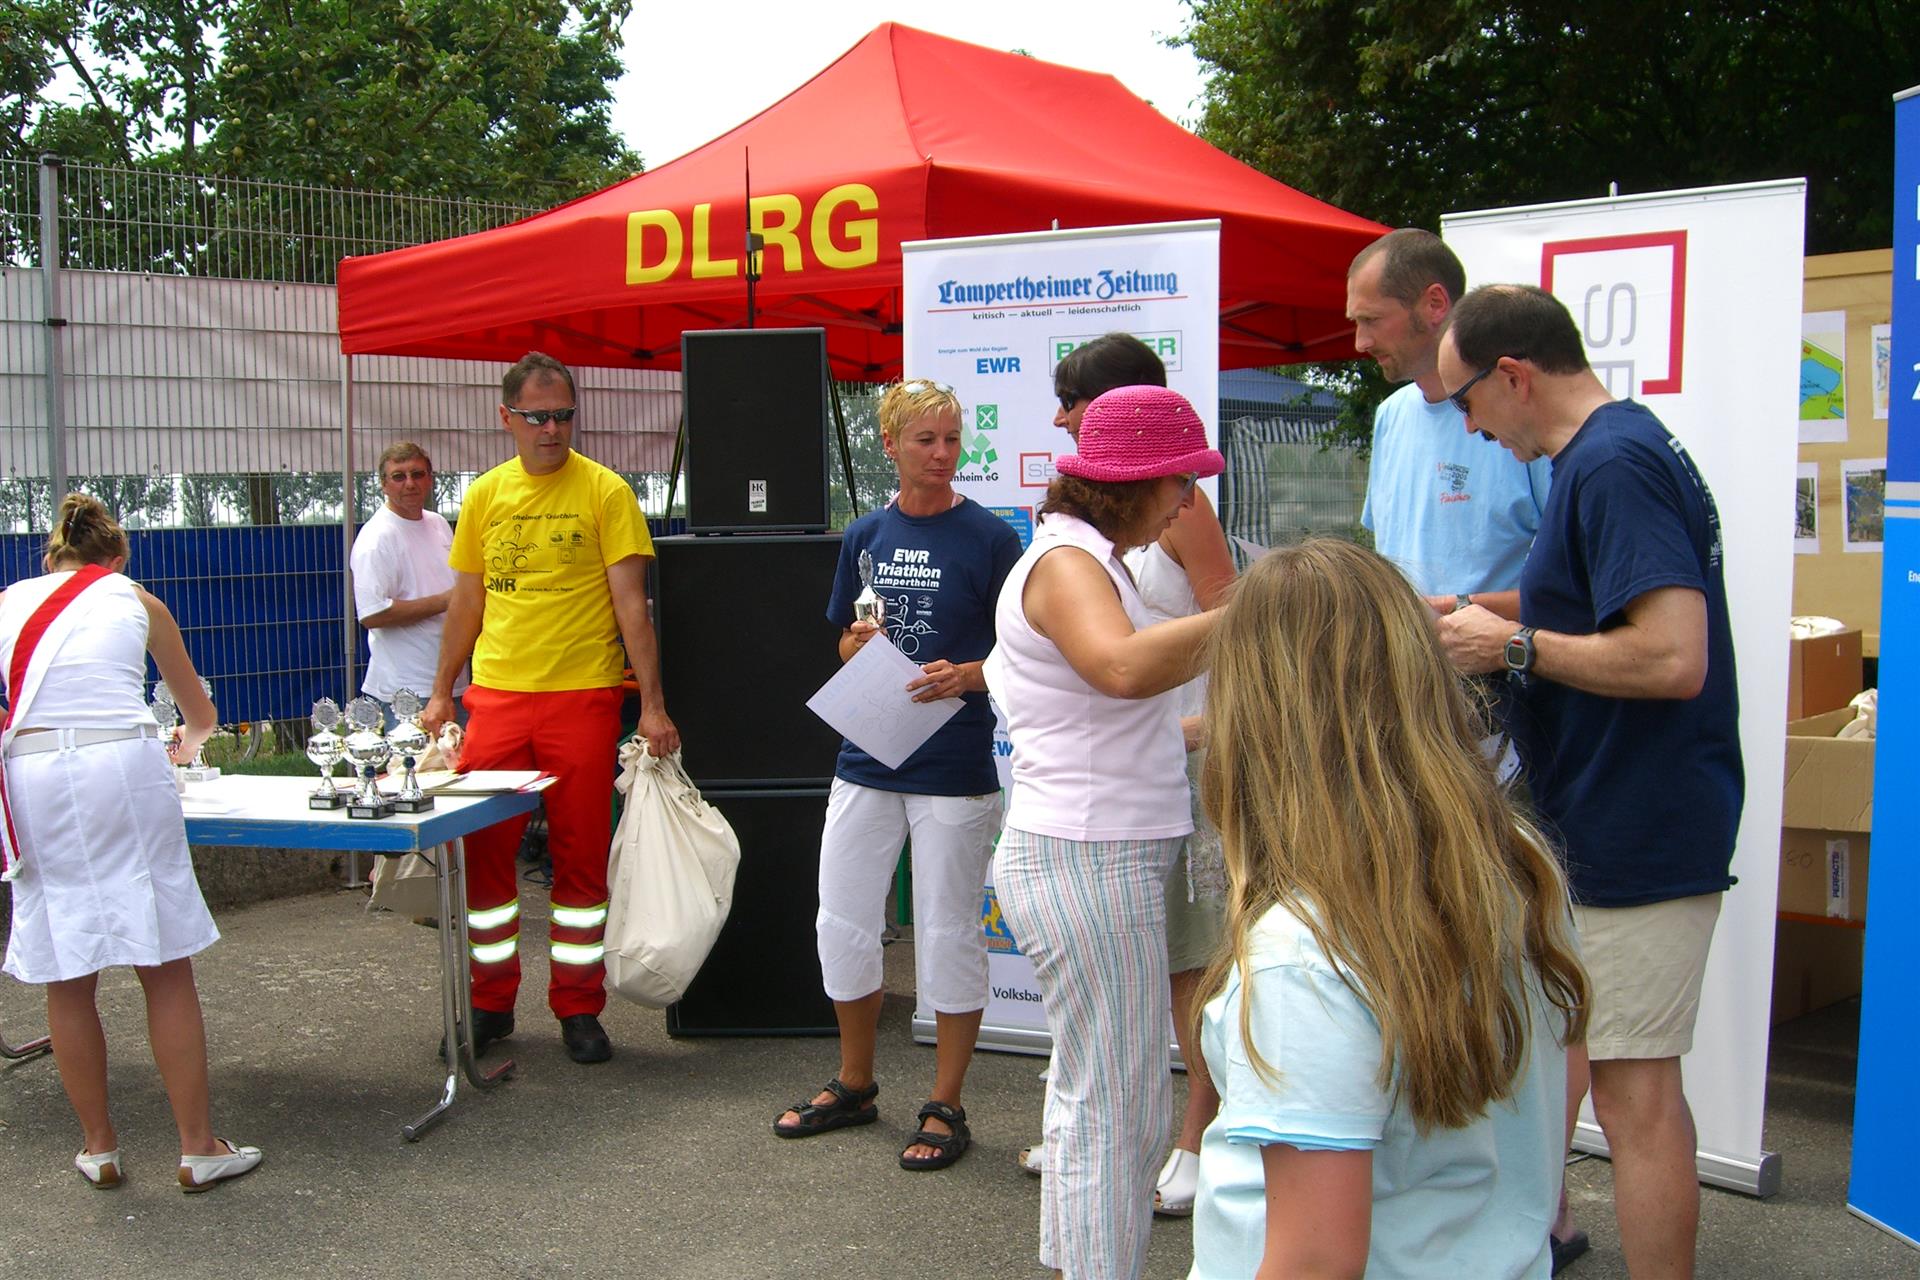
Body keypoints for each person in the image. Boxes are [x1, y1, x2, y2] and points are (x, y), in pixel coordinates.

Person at [1436, 284, 1743, 1280]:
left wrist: (1510, 645)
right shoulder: (1606, 455)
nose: (1471, 430)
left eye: (1468, 402)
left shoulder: (1611, 463)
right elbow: (1586, 595)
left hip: (1637, 823)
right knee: (1614, 1084)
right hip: (1612, 815)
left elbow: (1672, 655)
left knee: (1635, 1102)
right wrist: (1472, 609)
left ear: (1513, 374)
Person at [1188, 537, 1588, 1279]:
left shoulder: (1301, 956)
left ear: (1250, 715)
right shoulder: (1518, 861)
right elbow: (1563, 1068)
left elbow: (1314, 1263)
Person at [984, 384, 1223, 1280]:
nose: (1187, 503)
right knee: (1119, 1110)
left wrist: (1193, 730)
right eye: (1181, 482)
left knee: (1099, 1099)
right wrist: (1265, 614)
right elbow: (1120, 671)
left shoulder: (1086, 557)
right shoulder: (1069, 563)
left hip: (1092, 852)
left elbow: (1107, 714)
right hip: (1087, 857)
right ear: (1136, 482)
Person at [772, 379, 1020, 1170]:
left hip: (952, 763)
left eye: (952, 439)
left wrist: (969, 674)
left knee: (947, 932)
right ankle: (855, 1082)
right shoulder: (865, 533)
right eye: (925, 440)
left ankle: (946, 1103)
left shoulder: (991, 539)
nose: (943, 454)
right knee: (842, 919)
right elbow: (844, 641)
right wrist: (854, 646)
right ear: (890, 445)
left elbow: (1026, 650)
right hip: (867, 753)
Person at [422, 351, 680, 1066]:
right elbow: (467, 602)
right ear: (506, 417)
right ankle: (489, 1002)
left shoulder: (605, 491)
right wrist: (442, 692)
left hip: (582, 698)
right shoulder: (485, 496)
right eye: (536, 417)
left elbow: (633, 608)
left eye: (563, 415)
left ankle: (578, 1006)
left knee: (580, 860)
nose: (551, 429)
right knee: (485, 856)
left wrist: (653, 706)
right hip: (497, 700)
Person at [0, 493, 263, 1193]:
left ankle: (100, 1147)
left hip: (31, 770)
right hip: (120, 760)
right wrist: (187, 744)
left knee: (67, 971)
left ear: (52, 559)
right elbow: (199, 713)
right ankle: (197, 1147)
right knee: (163, 962)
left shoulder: (9, 602)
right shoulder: (136, 599)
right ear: (115, 559)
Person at [1348, 228, 1551, 620]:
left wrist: (1448, 611)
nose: (1361, 342)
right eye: (1356, 322)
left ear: (1435, 303)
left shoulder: (1521, 413)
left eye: (1371, 319)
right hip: (1410, 656)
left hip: (1502, 656)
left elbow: (1574, 588)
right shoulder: (1390, 415)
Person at [351, 441, 468, 722]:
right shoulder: (376, 538)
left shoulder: (438, 523)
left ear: (430, 479)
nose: (410, 483)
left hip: (454, 681)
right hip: (407, 692)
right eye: (398, 476)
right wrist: (445, 601)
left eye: (417, 474)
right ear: (383, 484)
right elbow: (372, 614)